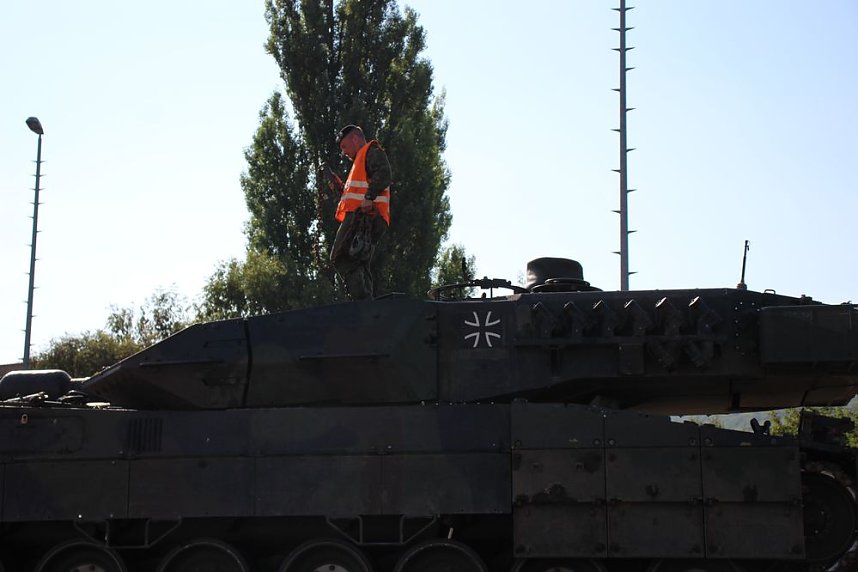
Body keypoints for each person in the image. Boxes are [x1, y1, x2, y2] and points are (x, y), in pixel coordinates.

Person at [329, 124, 391, 300]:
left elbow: (384, 173)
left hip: (363, 217)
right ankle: (367, 302)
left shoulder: (369, 151)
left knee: (340, 256)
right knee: (359, 260)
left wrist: (369, 198)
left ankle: (362, 301)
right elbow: (359, 191)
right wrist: (341, 189)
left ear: (355, 139)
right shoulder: (359, 162)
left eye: (344, 147)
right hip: (370, 217)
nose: (344, 152)